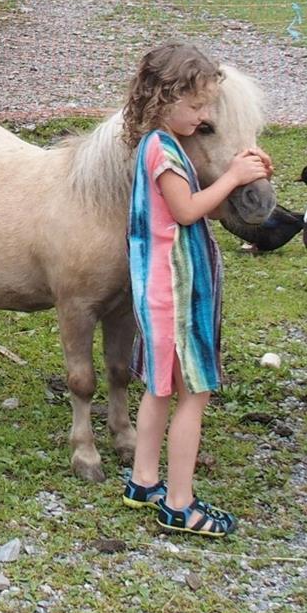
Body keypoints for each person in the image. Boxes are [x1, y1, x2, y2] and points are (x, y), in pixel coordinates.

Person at [121, 42, 272, 537]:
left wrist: (236, 175)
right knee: (194, 394)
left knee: (159, 388)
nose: (205, 115)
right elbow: (187, 212)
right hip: (176, 293)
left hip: (161, 290)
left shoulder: (161, 146)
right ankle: (180, 504)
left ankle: (144, 480)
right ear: (162, 101)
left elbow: (185, 208)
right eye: (198, 106)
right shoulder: (164, 153)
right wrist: (232, 177)